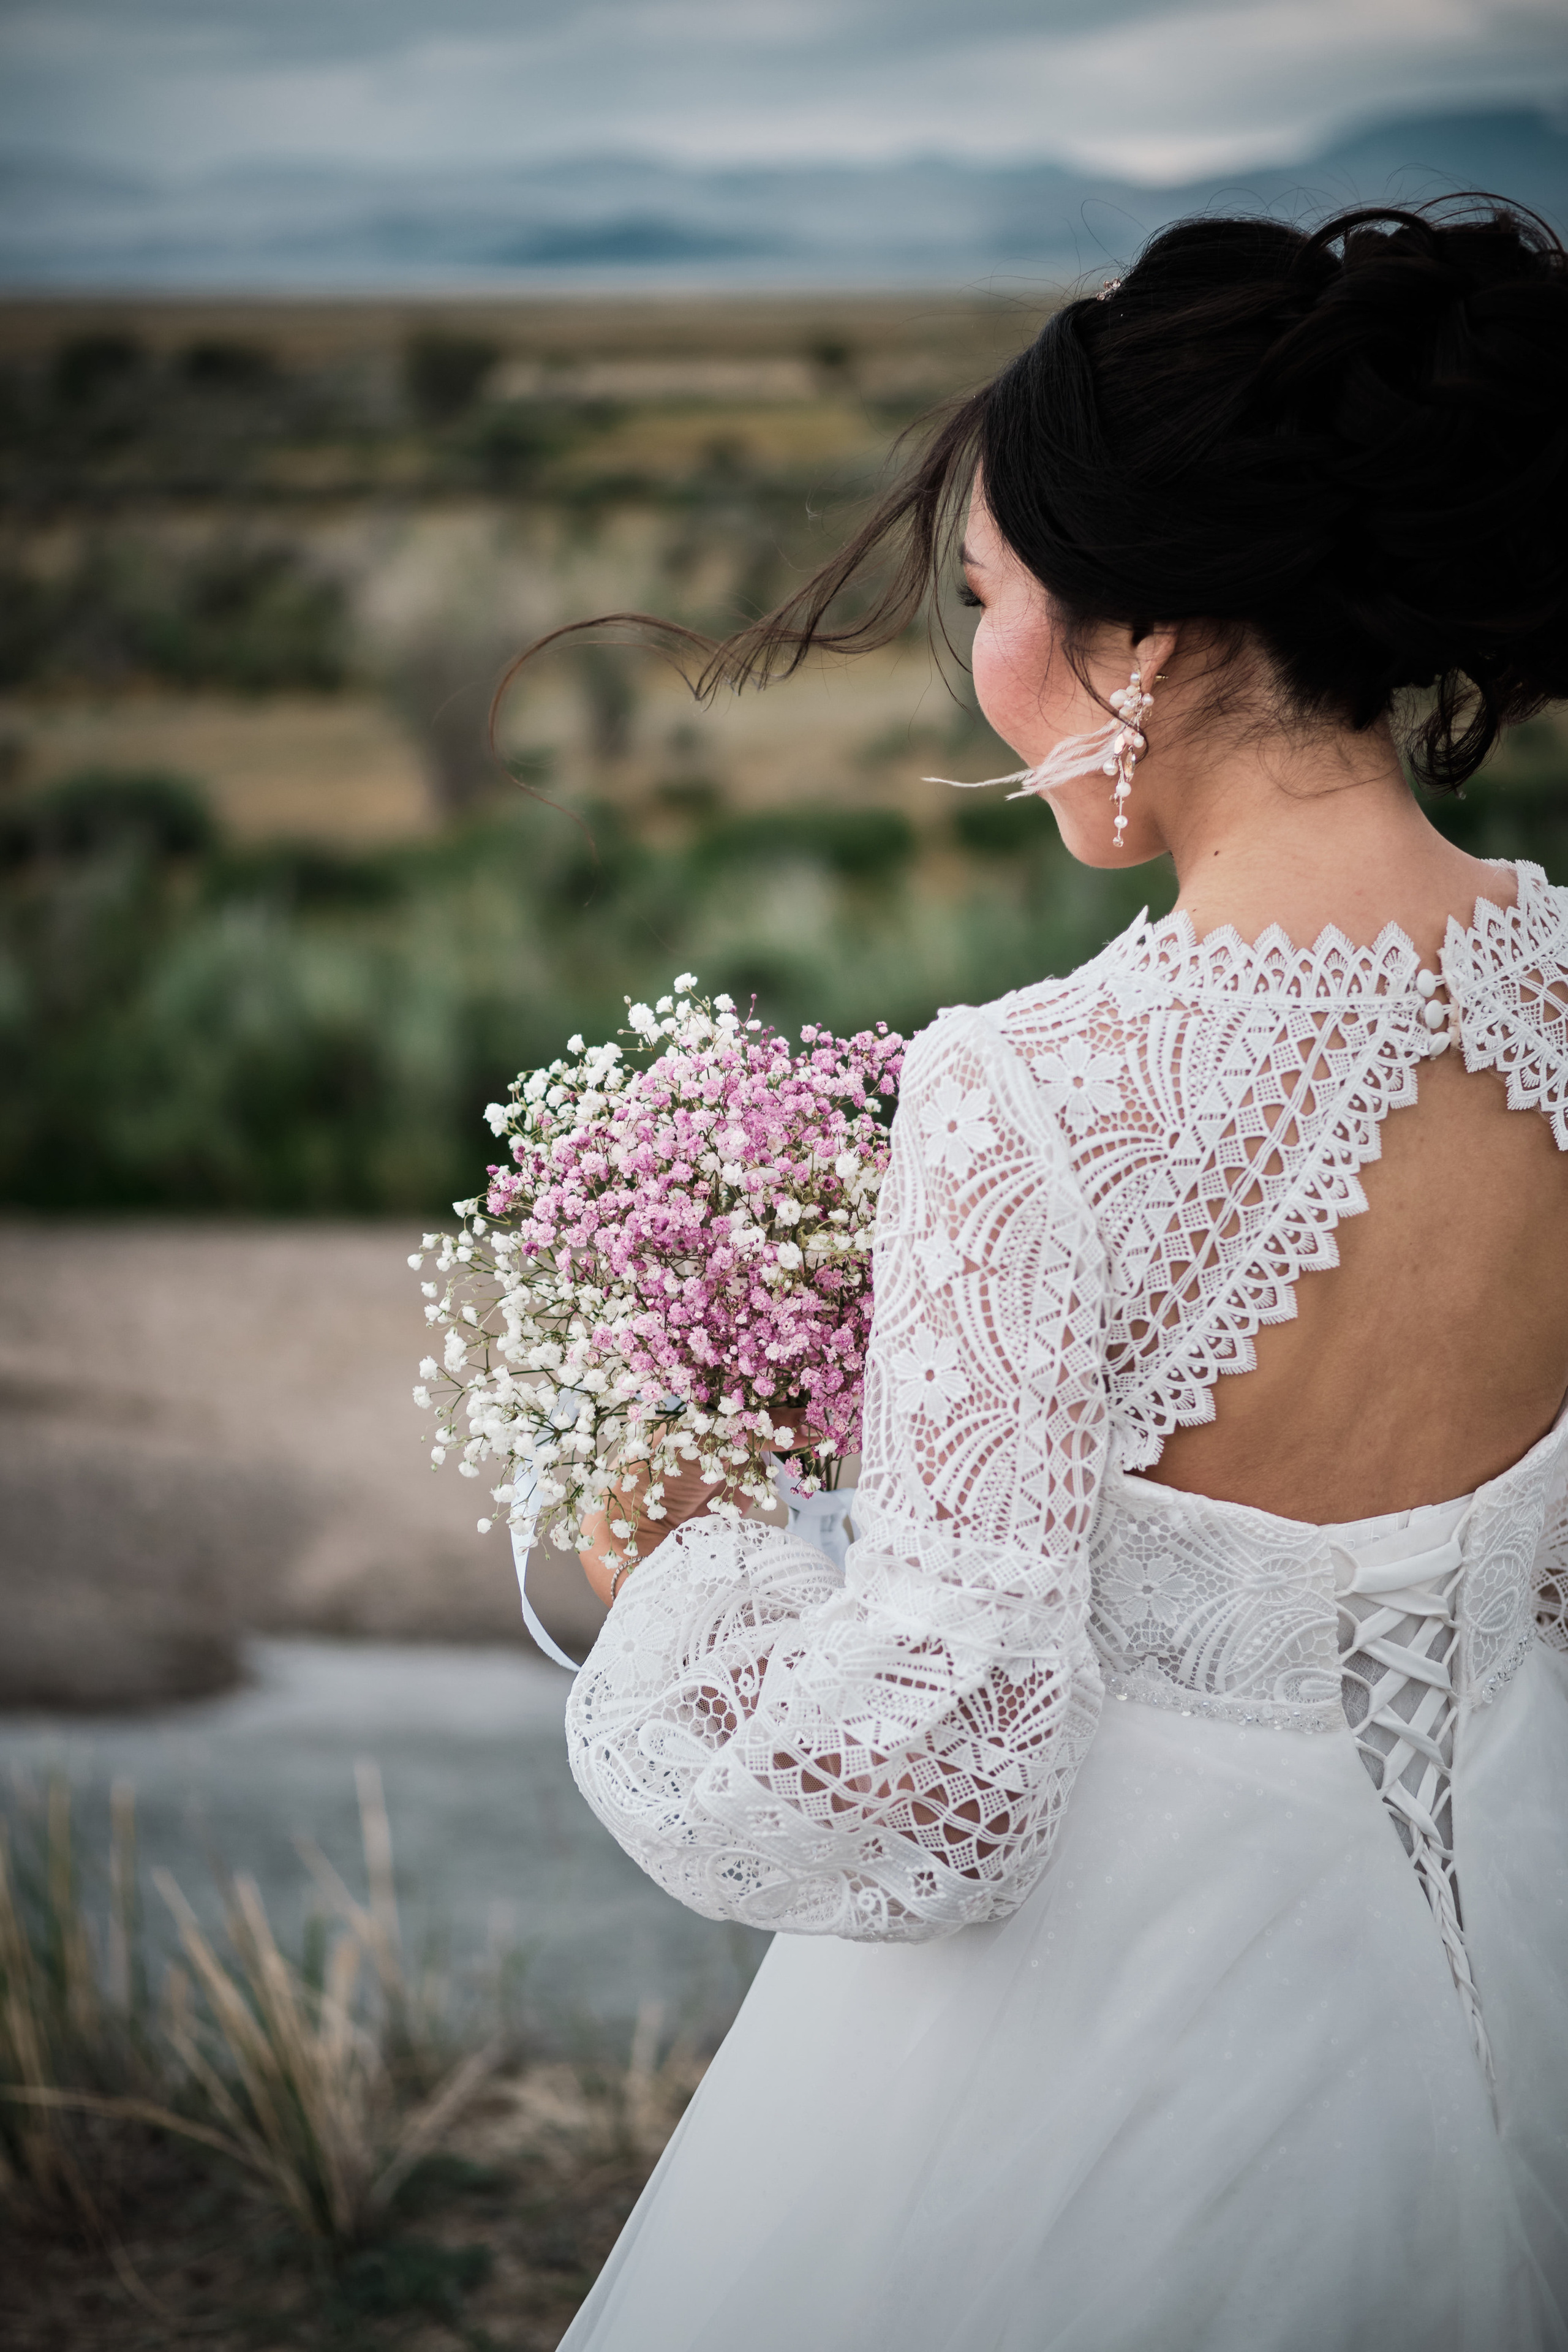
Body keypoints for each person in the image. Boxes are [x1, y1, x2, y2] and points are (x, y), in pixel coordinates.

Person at [552, 203, 1568, 2350]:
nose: (978, 662)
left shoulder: (1034, 1090)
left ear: (1159, 635)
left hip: (1138, 2031)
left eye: (994, 597)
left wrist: (683, 1576)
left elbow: (952, 1766)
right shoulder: (1564, 990)